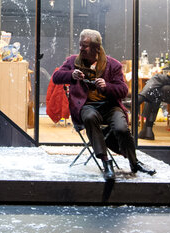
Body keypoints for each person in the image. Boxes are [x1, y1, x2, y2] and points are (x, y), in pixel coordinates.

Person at [52, 29, 155, 181]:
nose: (81, 48)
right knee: (89, 117)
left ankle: (134, 162)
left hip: (110, 106)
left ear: (96, 48)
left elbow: (123, 91)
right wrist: (71, 74)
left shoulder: (113, 65)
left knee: (121, 128)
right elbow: (56, 77)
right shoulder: (73, 61)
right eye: (80, 45)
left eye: (85, 46)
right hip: (86, 106)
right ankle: (106, 163)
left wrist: (107, 86)